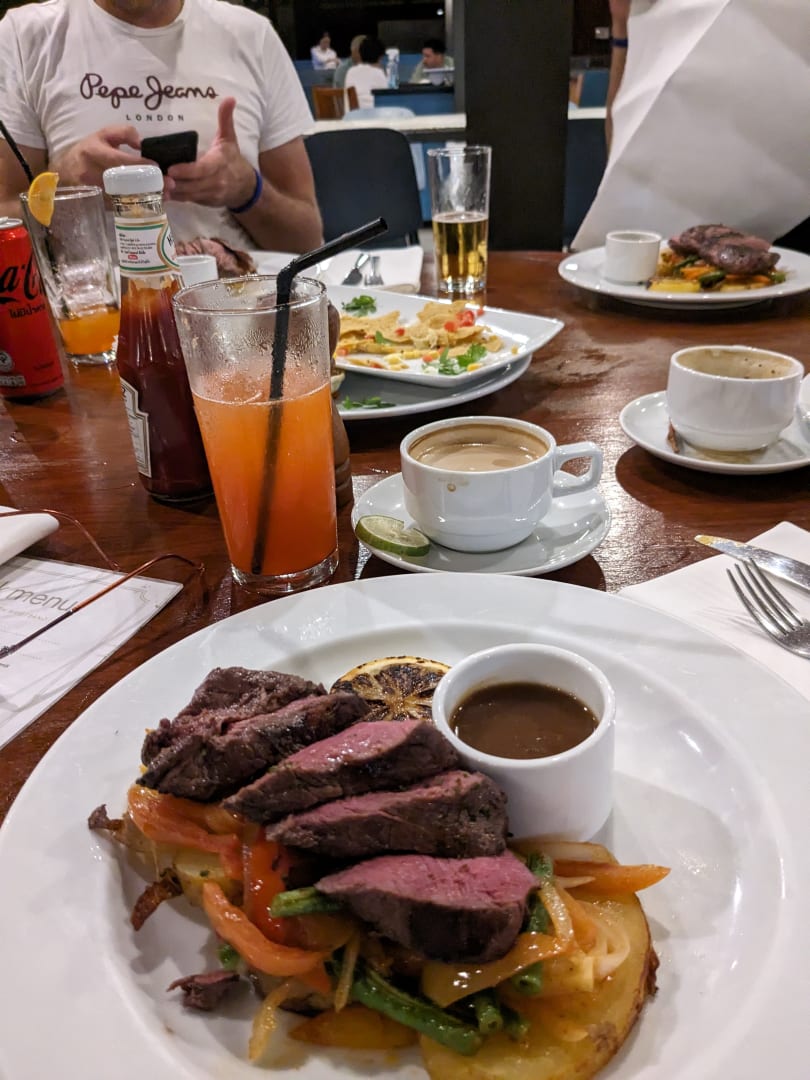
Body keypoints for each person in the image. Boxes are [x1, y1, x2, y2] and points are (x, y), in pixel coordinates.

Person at [0, 0, 323, 253]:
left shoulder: (252, 36)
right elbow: (5, 220)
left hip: (241, 303)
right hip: (94, 310)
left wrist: (247, 190)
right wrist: (66, 195)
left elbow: (306, 239)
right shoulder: (24, 37)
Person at [573, 0, 810, 252]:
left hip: (786, 232)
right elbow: (620, 147)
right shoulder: (663, 23)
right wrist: (621, 27)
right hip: (674, 243)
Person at [344, 37, 388, 109]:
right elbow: (386, 99)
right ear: (380, 57)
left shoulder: (350, 71)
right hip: (374, 114)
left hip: (351, 115)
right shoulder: (379, 73)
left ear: (360, 55)